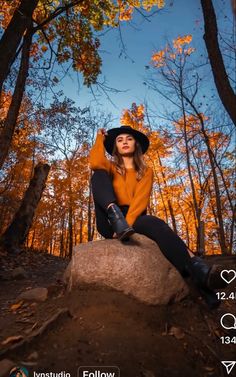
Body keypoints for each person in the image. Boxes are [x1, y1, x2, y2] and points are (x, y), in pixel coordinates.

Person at [89, 125, 227, 309]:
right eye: (119, 140)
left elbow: (140, 201)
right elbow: (95, 162)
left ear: (136, 144)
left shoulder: (146, 171)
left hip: (133, 216)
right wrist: (100, 138)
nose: (124, 142)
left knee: (157, 224)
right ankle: (115, 215)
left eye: (128, 139)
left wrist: (126, 224)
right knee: (97, 175)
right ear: (115, 146)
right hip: (108, 216)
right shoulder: (110, 167)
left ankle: (201, 279)